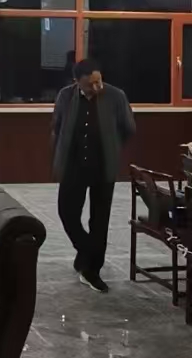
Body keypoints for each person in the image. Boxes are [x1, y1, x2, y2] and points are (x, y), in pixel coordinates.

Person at [51, 59, 136, 293]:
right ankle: (87, 251)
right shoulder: (65, 96)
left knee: (100, 220)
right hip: (73, 166)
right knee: (67, 213)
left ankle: (92, 270)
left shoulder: (116, 96)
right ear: (77, 82)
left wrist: (111, 145)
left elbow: (128, 128)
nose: (97, 87)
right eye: (91, 84)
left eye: (99, 81)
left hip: (103, 166)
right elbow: (57, 126)